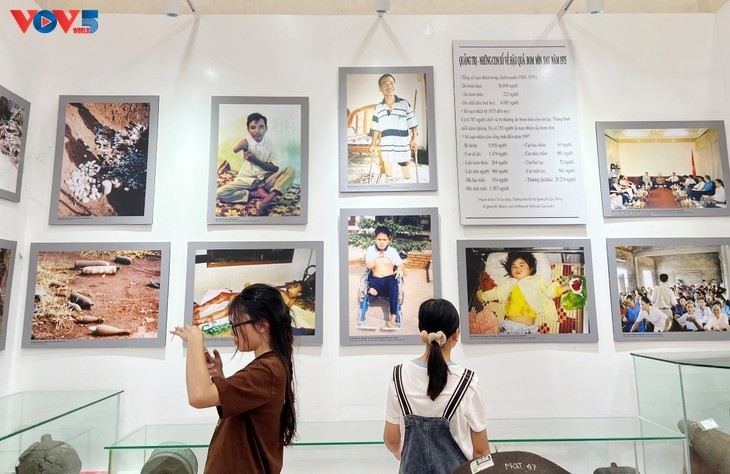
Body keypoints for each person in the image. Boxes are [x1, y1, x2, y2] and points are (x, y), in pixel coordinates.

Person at [170, 284, 297, 473]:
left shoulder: (267, 370)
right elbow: (244, 413)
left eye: (236, 325)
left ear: (262, 325)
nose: (232, 332)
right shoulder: (270, 366)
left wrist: (195, 339)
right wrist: (219, 377)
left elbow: (198, 396)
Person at [384, 299, 490, 473]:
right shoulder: (468, 381)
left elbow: (391, 440)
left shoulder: (399, 375)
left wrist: (402, 454)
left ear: (421, 331)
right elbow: (481, 452)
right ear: (456, 334)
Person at [476, 251, 572, 335]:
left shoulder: (536, 280)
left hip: (526, 329)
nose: (517, 269)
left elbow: (550, 291)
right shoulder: (506, 283)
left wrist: (567, 286)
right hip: (507, 326)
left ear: (531, 269)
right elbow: (496, 293)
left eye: (521, 265)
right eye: (514, 266)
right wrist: (482, 297)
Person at [216, 112, 295, 213]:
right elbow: (235, 150)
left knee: (290, 170)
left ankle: (265, 201)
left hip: (265, 180)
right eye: (253, 127)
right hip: (247, 180)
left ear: (266, 128)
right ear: (248, 129)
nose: (257, 131)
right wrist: (241, 145)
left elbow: (275, 168)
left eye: (261, 127)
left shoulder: (272, 144)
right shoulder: (246, 142)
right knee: (219, 193)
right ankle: (255, 193)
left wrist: (255, 160)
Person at [369, 74, 419, 181]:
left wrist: (414, 139)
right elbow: (376, 129)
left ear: (395, 85)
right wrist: (373, 144)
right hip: (386, 146)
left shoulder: (405, 104)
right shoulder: (378, 108)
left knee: (407, 177)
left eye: (391, 83)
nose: (389, 86)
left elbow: (413, 125)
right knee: (388, 176)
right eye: (385, 84)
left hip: (402, 146)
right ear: (380, 88)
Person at [365, 225, 405, 328]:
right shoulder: (370, 249)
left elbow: (401, 264)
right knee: (373, 291)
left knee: (394, 288)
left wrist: (400, 269)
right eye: (379, 239)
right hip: (376, 278)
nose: (382, 242)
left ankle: (393, 317)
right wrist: (373, 261)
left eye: (384, 240)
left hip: (389, 278)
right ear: (375, 239)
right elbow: (369, 264)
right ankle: (371, 290)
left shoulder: (392, 251)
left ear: (388, 240)